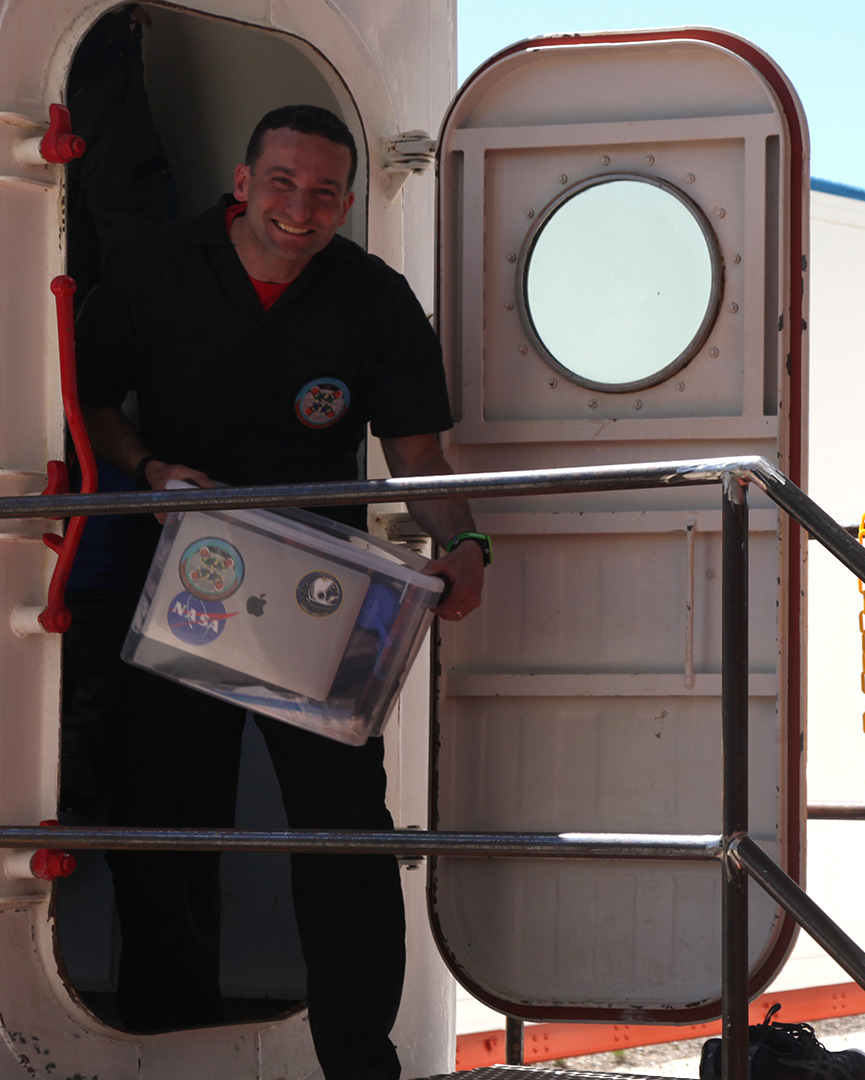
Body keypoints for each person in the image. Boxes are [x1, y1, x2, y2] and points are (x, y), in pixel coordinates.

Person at [74, 104, 486, 1080]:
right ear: (244, 180)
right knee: (166, 824)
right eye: (283, 183)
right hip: (180, 577)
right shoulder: (155, 272)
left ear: (348, 198)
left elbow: (418, 452)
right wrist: (151, 469)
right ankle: (166, 1048)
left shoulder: (373, 298)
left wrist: (465, 542)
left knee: (345, 833)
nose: (301, 209)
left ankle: (360, 1062)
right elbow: (88, 398)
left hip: (321, 595)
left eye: (325, 192)